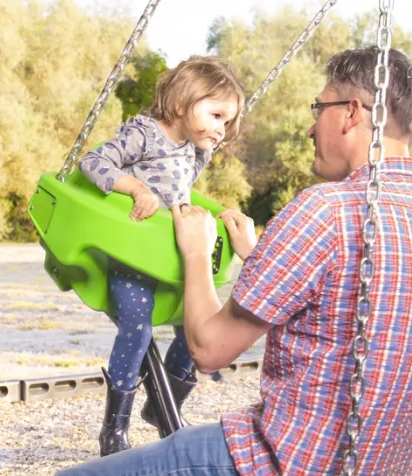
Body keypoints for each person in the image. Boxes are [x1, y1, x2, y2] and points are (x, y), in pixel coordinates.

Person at [58, 46, 412, 475]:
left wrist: (197, 254)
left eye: (320, 108)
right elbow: (341, 314)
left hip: (275, 461)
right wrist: (258, 258)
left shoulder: (326, 210)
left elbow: (209, 349)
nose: (312, 130)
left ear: (351, 113)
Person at [77, 55, 245, 457]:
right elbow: (92, 162)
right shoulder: (145, 134)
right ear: (183, 101)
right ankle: (114, 428)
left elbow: (182, 195)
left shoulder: (194, 150)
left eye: (228, 121)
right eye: (216, 114)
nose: (222, 129)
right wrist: (135, 187)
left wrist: (220, 214)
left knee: (201, 324)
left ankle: (164, 402)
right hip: (133, 257)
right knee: (137, 326)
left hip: (170, 259)